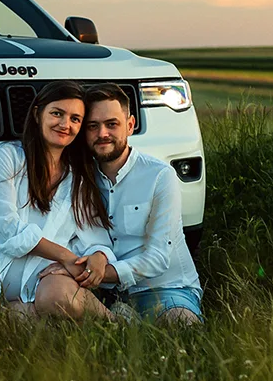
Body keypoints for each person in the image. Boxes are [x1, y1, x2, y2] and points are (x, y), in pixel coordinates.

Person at [41, 82, 203, 324]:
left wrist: (91, 273)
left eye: (111, 124)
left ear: (130, 125)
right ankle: (119, 322)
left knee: (181, 324)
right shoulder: (79, 179)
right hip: (104, 293)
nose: (102, 134)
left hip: (164, 289)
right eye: (93, 126)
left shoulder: (159, 176)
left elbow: (159, 257)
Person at [0, 81, 116, 319]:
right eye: (57, 113)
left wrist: (99, 257)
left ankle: (116, 324)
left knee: (56, 298)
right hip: (4, 276)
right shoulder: (7, 157)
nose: (65, 125)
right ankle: (25, 316)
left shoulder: (77, 175)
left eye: (75, 119)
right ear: (37, 114)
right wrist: (65, 257)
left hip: (51, 278)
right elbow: (6, 229)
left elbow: (94, 236)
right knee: (26, 319)